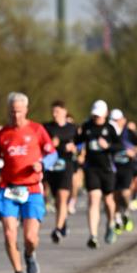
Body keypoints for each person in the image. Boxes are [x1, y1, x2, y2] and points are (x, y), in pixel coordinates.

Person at [0, 92, 56, 273]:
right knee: (9, 233)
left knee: (30, 237)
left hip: (32, 189)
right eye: (12, 112)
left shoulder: (37, 129)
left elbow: (52, 153)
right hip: (8, 189)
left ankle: (29, 254)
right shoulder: (1, 134)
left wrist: (42, 164)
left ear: (26, 110)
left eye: (18, 111)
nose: (15, 115)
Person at [76, 100, 122, 249]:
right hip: (91, 168)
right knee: (93, 199)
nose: (96, 118)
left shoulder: (110, 128)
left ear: (105, 114)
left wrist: (107, 146)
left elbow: (119, 145)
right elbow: (78, 141)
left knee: (108, 201)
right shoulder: (87, 126)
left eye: (99, 116)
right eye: (95, 115)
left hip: (107, 169)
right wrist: (76, 140)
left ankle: (110, 224)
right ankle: (93, 235)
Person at [43, 100, 78, 243]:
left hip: (67, 166)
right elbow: (41, 144)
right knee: (57, 200)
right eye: (53, 112)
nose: (54, 114)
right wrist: (51, 145)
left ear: (64, 111)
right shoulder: (47, 127)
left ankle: (57, 229)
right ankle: (63, 223)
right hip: (52, 168)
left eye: (57, 111)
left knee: (62, 196)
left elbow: (81, 144)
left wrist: (75, 148)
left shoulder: (72, 128)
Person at [109, 108, 137, 234]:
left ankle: (126, 212)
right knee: (115, 195)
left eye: (117, 120)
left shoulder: (129, 133)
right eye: (113, 120)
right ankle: (117, 219)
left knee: (125, 193)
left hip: (126, 166)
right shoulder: (108, 132)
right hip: (112, 167)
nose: (115, 122)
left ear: (123, 120)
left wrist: (133, 152)